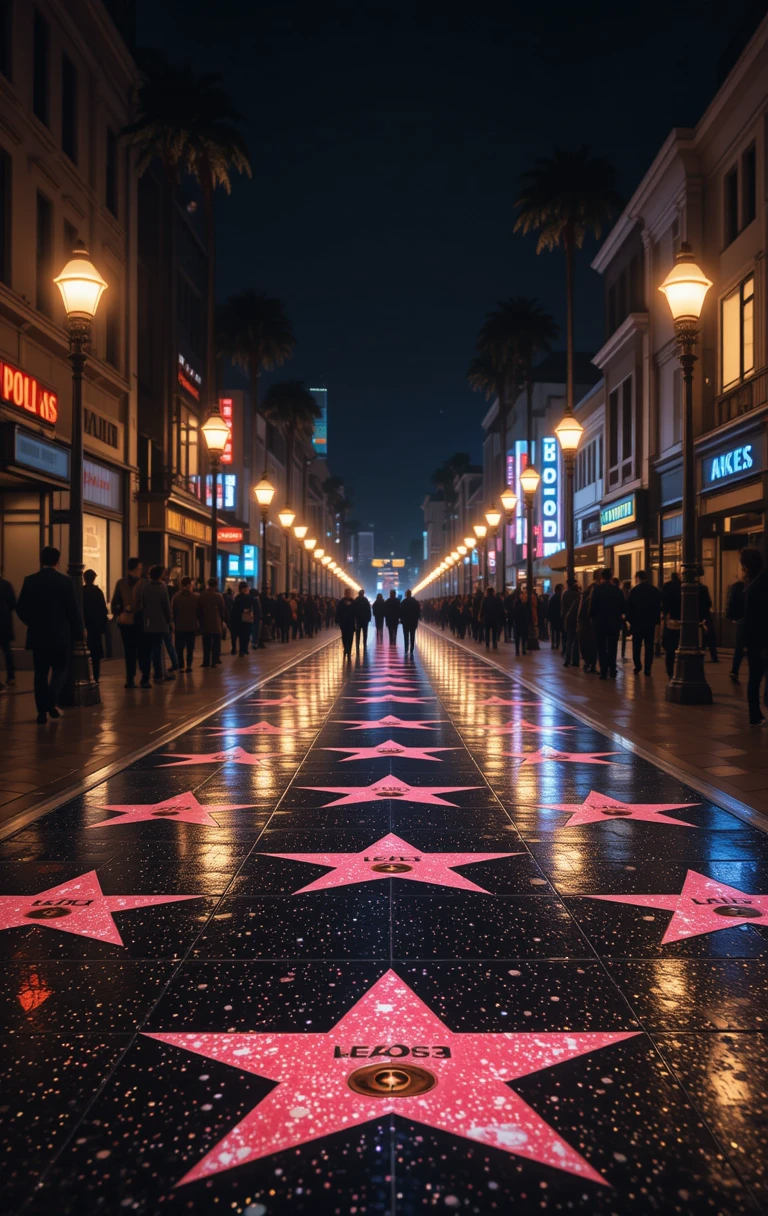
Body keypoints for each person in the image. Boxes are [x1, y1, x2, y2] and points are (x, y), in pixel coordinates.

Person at [16, 546, 83, 723]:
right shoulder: (65, 582)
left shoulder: (30, 580)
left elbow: (21, 607)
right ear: (58, 561)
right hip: (60, 635)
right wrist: (78, 633)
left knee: (40, 673)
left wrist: (33, 622)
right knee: (60, 669)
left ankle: (41, 712)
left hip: (38, 635)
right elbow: (73, 610)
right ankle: (50, 701)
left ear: (41, 560)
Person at [740, 546, 768, 726]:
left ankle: (755, 713)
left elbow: (748, 618)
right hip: (760, 638)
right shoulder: (758, 582)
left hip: (757, 640)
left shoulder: (752, 587)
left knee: (754, 678)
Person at [137, 565, 173, 686]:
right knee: (157, 649)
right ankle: (158, 674)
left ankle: (146, 675)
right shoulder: (162, 587)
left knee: (147, 650)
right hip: (160, 623)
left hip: (147, 622)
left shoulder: (145, 587)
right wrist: (170, 620)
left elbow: (142, 604)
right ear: (160, 575)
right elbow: (166, 606)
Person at [111, 557, 143, 688]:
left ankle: (131, 678)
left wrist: (118, 614)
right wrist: (121, 612)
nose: (141, 571)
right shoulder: (141, 583)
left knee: (130, 651)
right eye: (140, 568)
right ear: (135, 568)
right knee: (137, 650)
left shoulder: (121, 583)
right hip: (134, 622)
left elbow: (114, 603)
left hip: (128, 622)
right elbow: (115, 603)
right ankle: (136, 677)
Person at [589, 568, 625, 679]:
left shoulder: (597, 590)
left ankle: (604, 671)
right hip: (614, 624)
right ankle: (613, 669)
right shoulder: (617, 591)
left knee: (601, 647)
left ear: (601, 578)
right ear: (611, 577)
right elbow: (623, 607)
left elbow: (592, 608)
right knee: (613, 647)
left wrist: (593, 618)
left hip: (600, 624)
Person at [625, 570, 662, 677]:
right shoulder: (655, 590)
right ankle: (648, 668)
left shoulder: (634, 591)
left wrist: (630, 620)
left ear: (637, 578)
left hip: (637, 623)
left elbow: (629, 607)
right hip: (650, 622)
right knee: (649, 645)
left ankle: (638, 665)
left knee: (636, 645)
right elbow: (658, 606)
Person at [82, 569, 108, 682]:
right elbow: (103, 610)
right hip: (96, 627)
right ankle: (96, 676)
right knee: (95, 654)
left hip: (84, 625)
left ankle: (84, 675)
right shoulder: (98, 592)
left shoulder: (81, 591)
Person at [172, 576, 199, 671]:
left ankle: (180, 664)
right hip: (191, 626)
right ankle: (189, 665)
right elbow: (199, 612)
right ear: (189, 585)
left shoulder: (176, 597)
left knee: (179, 647)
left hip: (179, 627)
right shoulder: (195, 597)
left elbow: (173, 612)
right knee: (190, 648)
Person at [198, 577, 226, 667]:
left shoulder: (202, 596)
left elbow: (199, 610)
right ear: (216, 585)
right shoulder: (219, 596)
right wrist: (223, 620)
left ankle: (206, 661)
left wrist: (200, 621)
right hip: (216, 623)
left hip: (205, 623)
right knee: (216, 644)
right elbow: (222, 610)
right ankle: (214, 660)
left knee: (206, 644)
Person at [726, 570, 746, 683]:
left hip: (742, 621)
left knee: (739, 648)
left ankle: (734, 670)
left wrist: (733, 617)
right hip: (756, 622)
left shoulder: (737, 587)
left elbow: (731, 603)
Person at [661, 571, 682, 679]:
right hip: (683, 620)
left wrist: (664, 614)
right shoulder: (683, 586)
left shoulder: (667, 586)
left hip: (670, 619)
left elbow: (664, 602)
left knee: (669, 647)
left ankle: (670, 670)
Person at [227, 581, 255, 657]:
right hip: (246, 620)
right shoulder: (248, 598)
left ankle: (234, 649)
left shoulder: (236, 598)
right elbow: (253, 606)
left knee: (235, 636)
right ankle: (243, 650)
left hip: (236, 620)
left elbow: (233, 610)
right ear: (244, 589)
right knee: (245, 636)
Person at [0, 570, 17, 689]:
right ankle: (11, 676)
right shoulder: (6, 585)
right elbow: (13, 604)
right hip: (3, 623)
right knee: (7, 651)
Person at [561, 578, 580, 667]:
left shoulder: (565, 594)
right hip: (576, 619)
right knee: (576, 641)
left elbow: (563, 609)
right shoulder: (577, 595)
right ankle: (575, 660)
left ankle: (567, 660)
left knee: (569, 640)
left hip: (568, 619)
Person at [481, 586, 505, 650]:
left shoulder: (485, 599)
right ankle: (494, 643)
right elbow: (501, 608)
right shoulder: (497, 599)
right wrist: (502, 616)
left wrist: (481, 616)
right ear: (493, 592)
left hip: (487, 617)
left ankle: (487, 644)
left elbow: (482, 609)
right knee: (494, 631)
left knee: (487, 631)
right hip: (495, 617)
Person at [336, 586, 357, 658]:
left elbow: (355, 612)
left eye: (349, 593)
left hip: (350, 622)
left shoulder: (353, 602)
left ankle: (349, 650)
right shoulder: (341, 602)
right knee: (344, 637)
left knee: (350, 637)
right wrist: (338, 620)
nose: (348, 594)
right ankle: (345, 648)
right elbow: (338, 612)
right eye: (346, 593)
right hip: (344, 623)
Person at [400, 589, 421, 655]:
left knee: (406, 635)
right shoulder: (415, 602)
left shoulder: (403, 602)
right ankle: (412, 649)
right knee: (412, 635)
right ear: (411, 594)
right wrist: (417, 618)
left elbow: (401, 612)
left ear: (406, 594)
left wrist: (401, 619)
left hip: (405, 621)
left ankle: (406, 648)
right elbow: (418, 611)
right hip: (413, 621)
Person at [512, 588, 529, 656]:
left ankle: (521, 650)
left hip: (519, 622)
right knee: (520, 637)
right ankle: (519, 650)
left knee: (521, 637)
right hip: (520, 622)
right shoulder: (519, 603)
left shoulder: (521, 602)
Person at [354, 589, 372, 653]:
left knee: (358, 633)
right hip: (364, 620)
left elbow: (353, 610)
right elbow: (368, 610)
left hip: (358, 620)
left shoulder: (356, 600)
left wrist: (354, 618)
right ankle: (364, 644)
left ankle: (357, 644)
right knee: (365, 633)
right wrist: (369, 617)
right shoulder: (365, 600)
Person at [547, 584, 563, 651]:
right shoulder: (561, 598)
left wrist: (549, 618)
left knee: (553, 631)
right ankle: (557, 644)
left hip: (553, 618)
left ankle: (553, 643)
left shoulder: (552, 598)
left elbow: (549, 608)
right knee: (558, 632)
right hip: (559, 617)